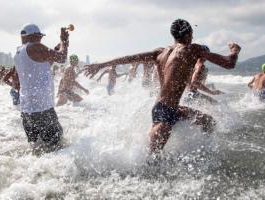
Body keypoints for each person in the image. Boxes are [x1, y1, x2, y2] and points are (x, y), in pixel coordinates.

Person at [84, 19, 241, 154]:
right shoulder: (192, 49)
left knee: (208, 122)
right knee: (151, 159)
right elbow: (229, 63)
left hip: (168, 109)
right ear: (187, 35)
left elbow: (130, 58)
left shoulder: (160, 52)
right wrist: (234, 51)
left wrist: (102, 64)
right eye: (191, 34)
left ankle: (201, 155)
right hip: (164, 113)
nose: (192, 37)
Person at [14, 23, 69, 153]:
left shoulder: (18, 53)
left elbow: (43, 65)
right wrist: (64, 41)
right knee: (57, 148)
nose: (40, 40)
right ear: (33, 36)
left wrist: (55, 49)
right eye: (39, 37)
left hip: (27, 111)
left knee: (36, 149)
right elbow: (62, 58)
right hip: (43, 109)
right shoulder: (35, 47)